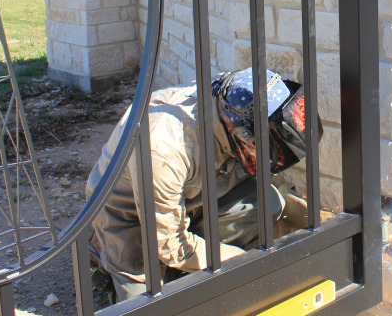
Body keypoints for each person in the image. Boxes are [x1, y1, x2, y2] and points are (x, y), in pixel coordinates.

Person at [86, 68, 313, 302]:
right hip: (129, 217)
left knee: (270, 203)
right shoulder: (162, 149)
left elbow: (266, 174)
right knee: (149, 302)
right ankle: (102, 250)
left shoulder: (232, 103)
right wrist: (244, 262)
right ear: (244, 134)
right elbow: (170, 244)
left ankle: (187, 263)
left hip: (189, 192)